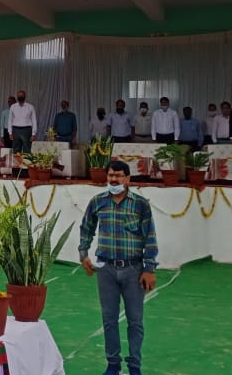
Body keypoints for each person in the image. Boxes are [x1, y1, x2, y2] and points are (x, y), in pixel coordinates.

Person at [78, 159, 158, 375]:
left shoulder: (140, 204)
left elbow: (149, 236)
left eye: (118, 176)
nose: (113, 179)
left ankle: (134, 367)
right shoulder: (97, 202)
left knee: (135, 321)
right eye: (111, 175)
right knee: (109, 319)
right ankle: (113, 365)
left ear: (128, 179)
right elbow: (86, 227)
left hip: (134, 270)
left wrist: (149, 269)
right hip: (106, 270)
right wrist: (83, 253)